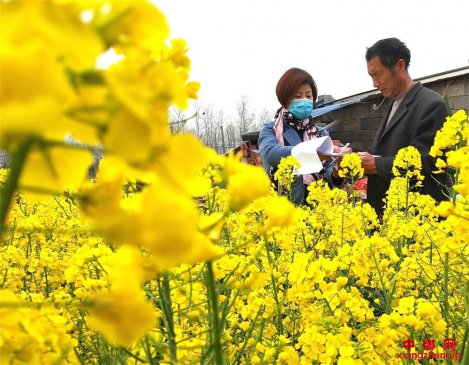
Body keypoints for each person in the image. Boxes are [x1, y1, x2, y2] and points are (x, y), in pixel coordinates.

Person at [357, 37, 449, 216]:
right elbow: (387, 150)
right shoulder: (394, 103)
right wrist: (353, 154)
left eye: (377, 74)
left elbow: (428, 161)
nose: (375, 83)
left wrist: (376, 164)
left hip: (416, 218)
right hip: (392, 214)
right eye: (371, 76)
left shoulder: (431, 104)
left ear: (400, 65)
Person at [258, 67, 341, 205]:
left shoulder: (321, 134)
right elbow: (270, 154)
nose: (304, 101)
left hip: (317, 211)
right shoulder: (270, 130)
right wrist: (312, 152)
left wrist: (337, 172)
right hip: (282, 210)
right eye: (297, 97)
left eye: (308, 96)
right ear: (285, 99)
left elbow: (328, 169)